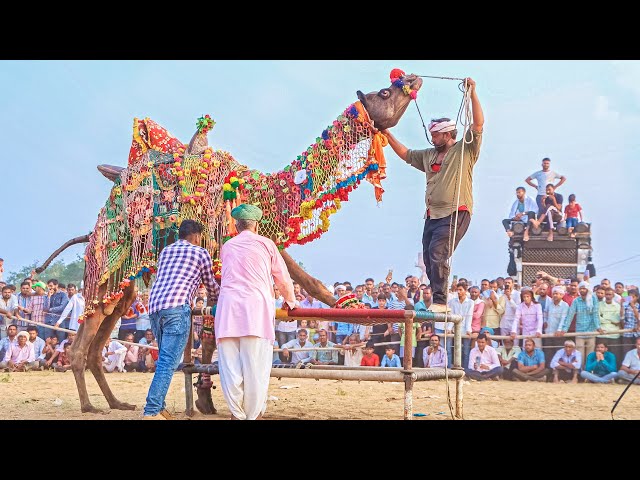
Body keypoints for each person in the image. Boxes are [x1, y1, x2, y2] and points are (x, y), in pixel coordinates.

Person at [382, 78, 484, 313]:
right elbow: (406, 154)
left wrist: (473, 94)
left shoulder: (464, 150)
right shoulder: (428, 155)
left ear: (447, 135)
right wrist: (386, 134)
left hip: (456, 211)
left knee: (438, 252)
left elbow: (478, 124)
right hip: (432, 214)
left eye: (436, 135)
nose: (432, 138)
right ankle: (439, 299)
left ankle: (440, 301)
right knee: (429, 258)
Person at [215, 205, 296, 420]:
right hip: (256, 311)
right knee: (256, 366)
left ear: (236, 224)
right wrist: (290, 300)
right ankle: (251, 416)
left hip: (228, 310)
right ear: (256, 225)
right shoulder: (267, 244)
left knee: (231, 368)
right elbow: (283, 278)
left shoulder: (228, 246)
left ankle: (237, 414)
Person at [142, 219, 221, 420]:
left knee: (164, 360)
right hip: (177, 307)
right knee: (168, 362)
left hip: (155, 307)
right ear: (196, 236)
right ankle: (151, 411)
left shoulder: (166, 251)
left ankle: (159, 407)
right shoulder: (201, 253)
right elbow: (211, 286)